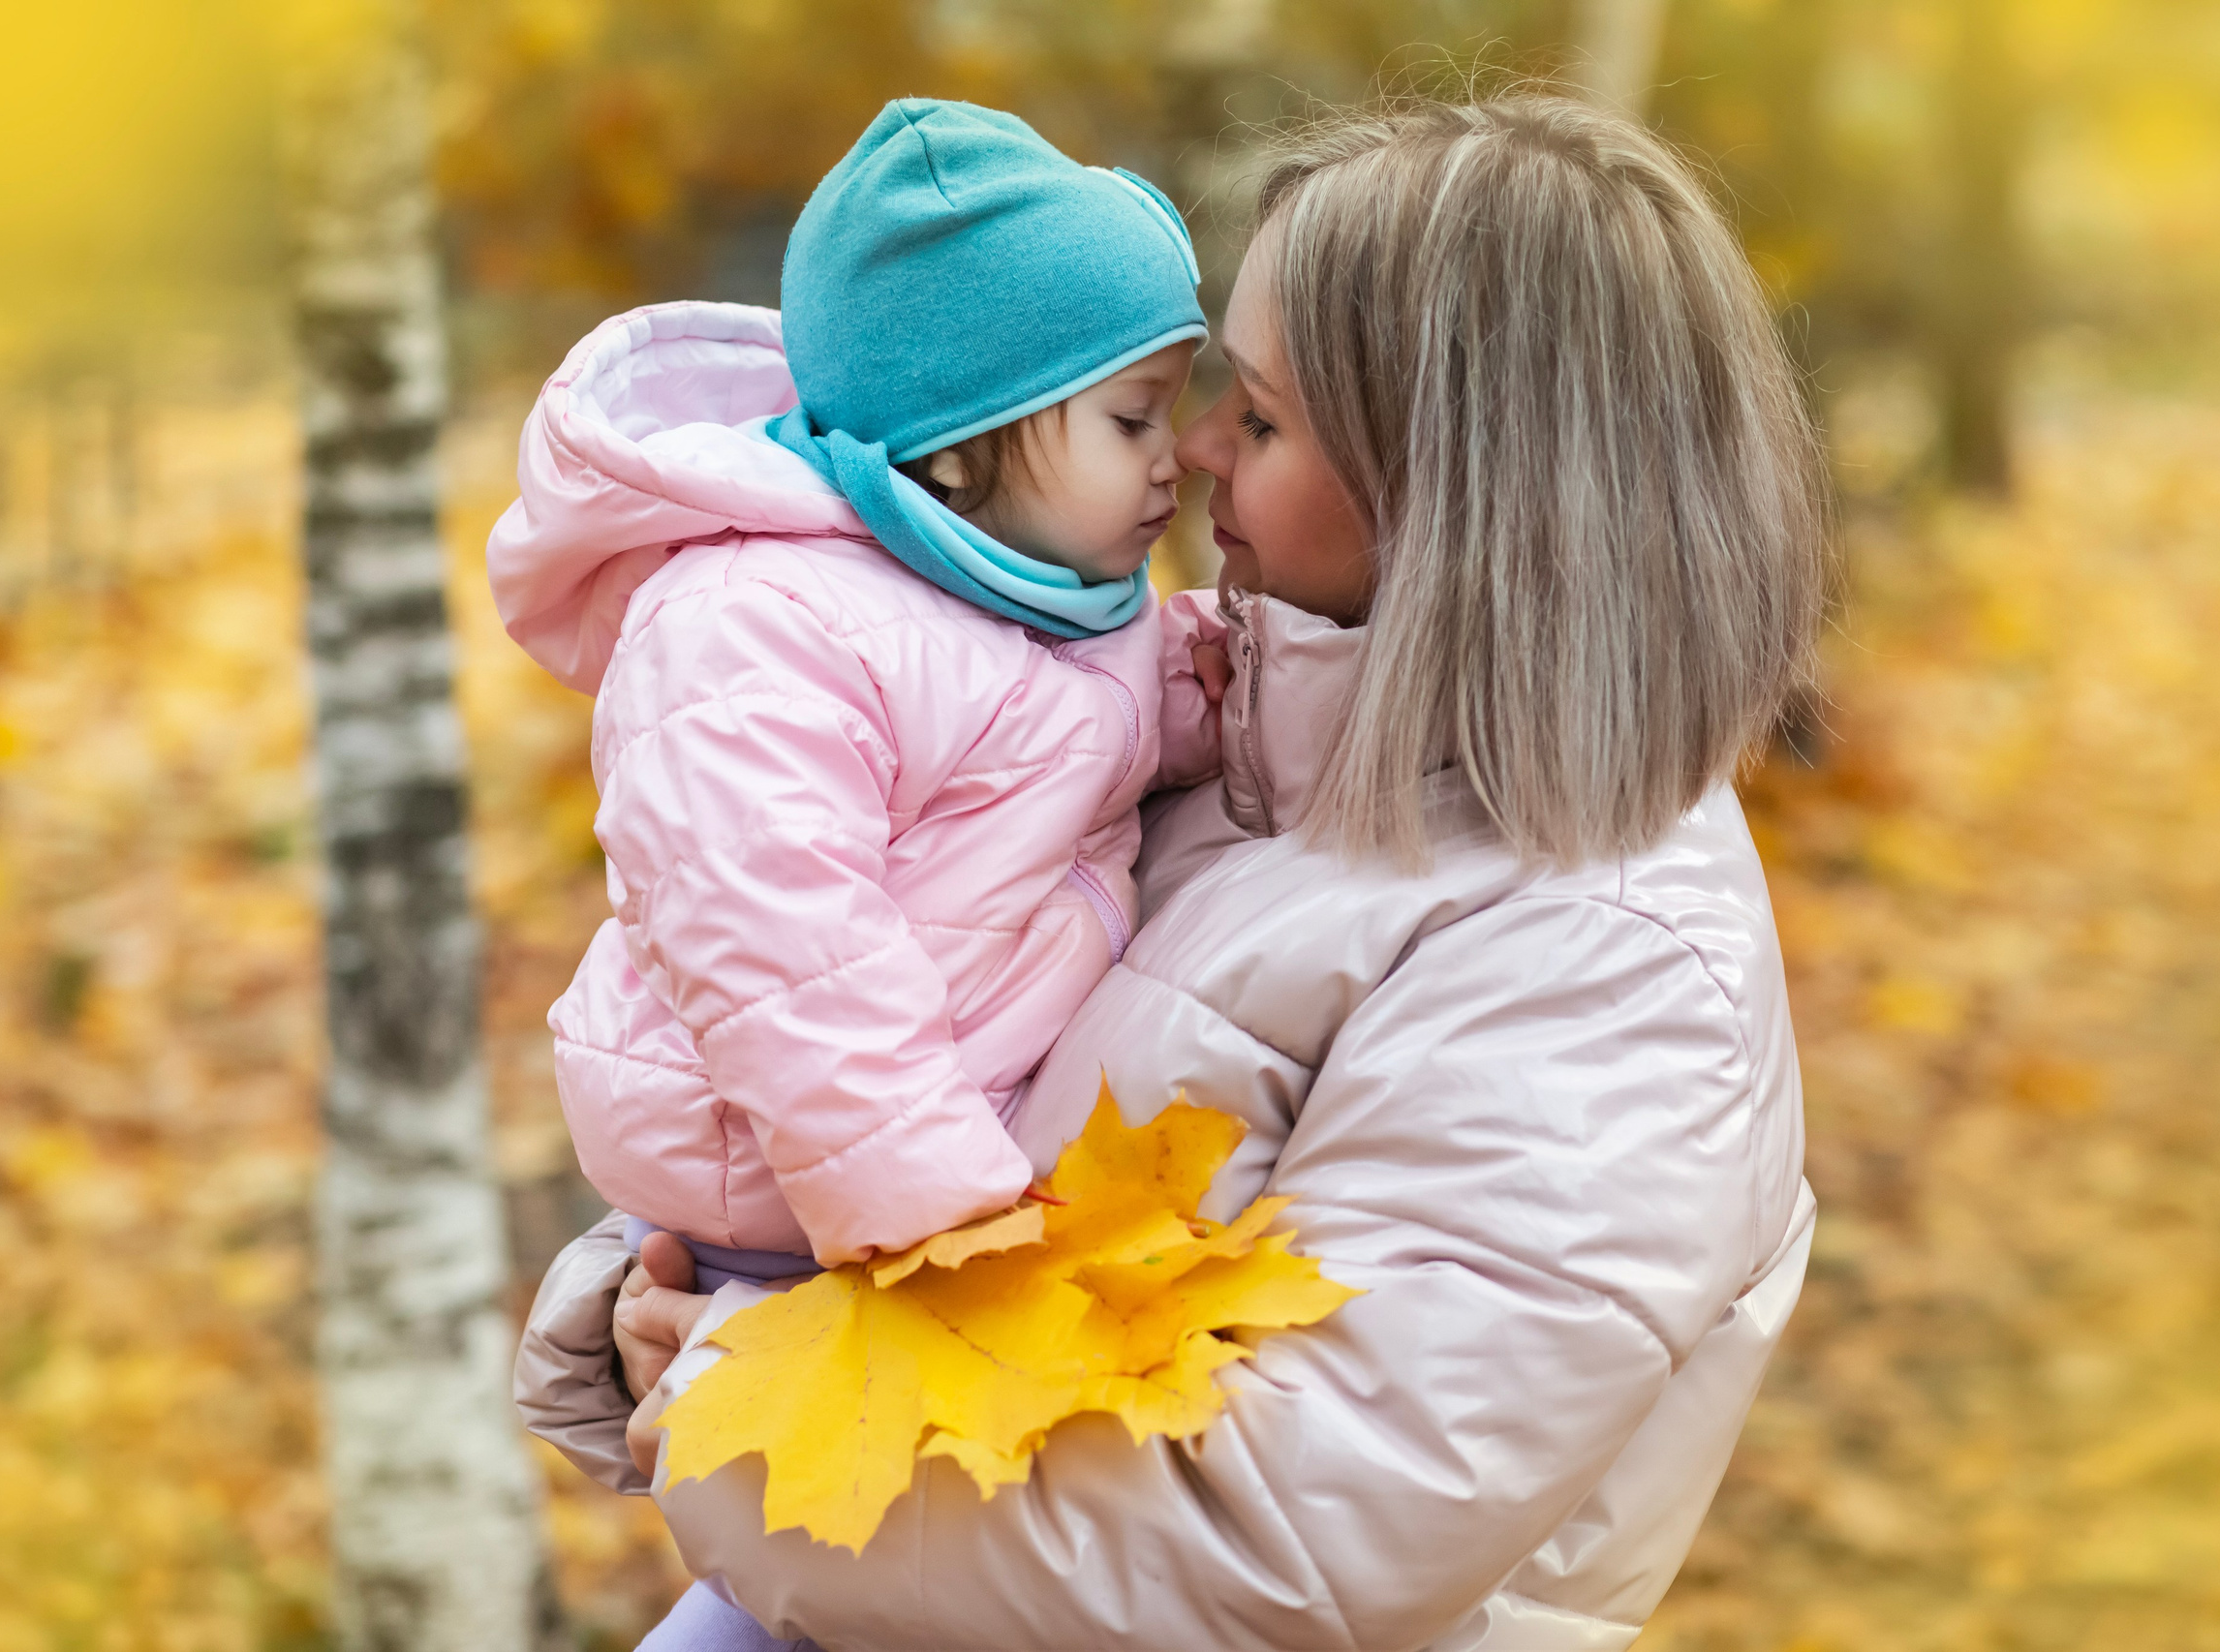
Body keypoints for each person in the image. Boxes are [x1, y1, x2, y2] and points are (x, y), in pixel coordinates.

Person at [520, 93, 1827, 1650]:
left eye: (1257, 419)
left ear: (1462, 494)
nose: (1196, 448)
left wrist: (736, 1396)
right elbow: (909, 1055)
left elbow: (1273, 1540)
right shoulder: (1253, 757)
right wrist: (673, 1293)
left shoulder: (1604, 965)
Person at [489, 98, 1223, 1646]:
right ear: (969, 444)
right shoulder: (763, 625)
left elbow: (1175, 699)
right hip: (825, 1183)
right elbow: (777, 947)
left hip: (903, 1178)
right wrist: (933, 1218)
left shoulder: (1027, 594)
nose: (1182, 463)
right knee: (846, 1573)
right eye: (1135, 419)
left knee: (839, 1583)